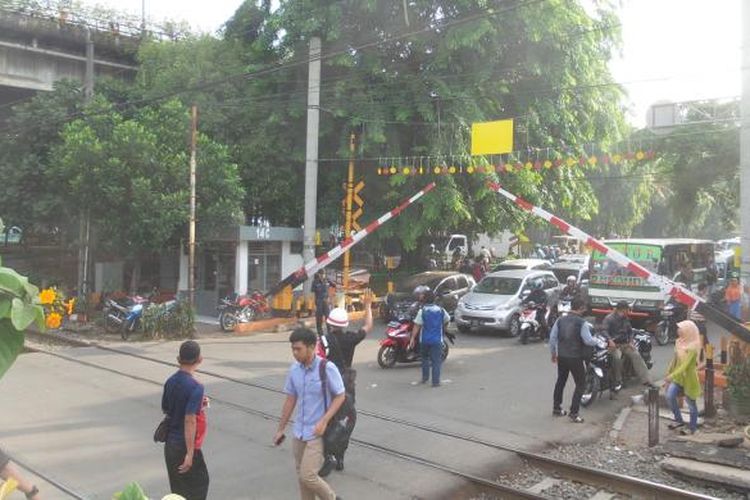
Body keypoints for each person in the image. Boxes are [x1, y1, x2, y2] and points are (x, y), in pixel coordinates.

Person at [274, 328, 345, 500]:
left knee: (308, 476)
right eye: (293, 349)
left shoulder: (327, 368)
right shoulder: (294, 370)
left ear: (311, 347)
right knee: (302, 478)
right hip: (299, 431)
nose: (294, 353)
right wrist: (280, 429)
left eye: (298, 349)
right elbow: (290, 400)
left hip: (318, 432)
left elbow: (340, 395)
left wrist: (324, 420)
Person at [318, 293, 373, 476]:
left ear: (330, 323)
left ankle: (328, 456)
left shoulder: (324, 340)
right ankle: (340, 456)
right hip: (346, 384)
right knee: (344, 420)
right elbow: (368, 326)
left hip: (328, 385)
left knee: (327, 419)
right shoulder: (351, 338)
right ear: (345, 325)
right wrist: (368, 306)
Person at [161, 341, 209, 500]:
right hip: (184, 446)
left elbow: (167, 408)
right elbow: (190, 420)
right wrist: (190, 453)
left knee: (178, 491)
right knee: (199, 485)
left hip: (170, 446)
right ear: (200, 359)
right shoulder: (196, 386)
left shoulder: (170, 381)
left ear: (178, 358)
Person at [549, 297, 598, 423]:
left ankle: (556, 408)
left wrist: (554, 354)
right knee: (580, 384)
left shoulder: (560, 320)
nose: (585, 310)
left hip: (562, 356)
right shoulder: (582, 323)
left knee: (561, 381)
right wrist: (596, 340)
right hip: (575, 357)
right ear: (581, 308)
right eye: (584, 308)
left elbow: (552, 338)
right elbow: (588, 340)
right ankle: (574, 413)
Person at [603, 301, 654, 391]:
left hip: (625, 344)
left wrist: (631, 341)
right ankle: (618, 380)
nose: (628, 311)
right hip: (614, 345)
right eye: (627, 309)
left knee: (636, 355)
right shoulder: (609, 318)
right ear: (623, 309)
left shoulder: (625, 319)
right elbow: (604, 331)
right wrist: (610, 340)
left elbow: (630, 331)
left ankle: (646, 380)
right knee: (617, 358)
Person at [665, 321, 703, 435]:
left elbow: (685, 365)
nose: (678, 331)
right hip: (678, 377)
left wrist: (672, 375)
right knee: (670, 396)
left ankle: (692, 428)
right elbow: (675, 359)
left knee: (691, 404)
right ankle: (679, 420)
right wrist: (668, 372)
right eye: (678, 328)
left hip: (689, 379)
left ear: (688, 331)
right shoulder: (678, 342)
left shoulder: (693, 346)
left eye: (681, 329)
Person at [409, 290, 450, 387]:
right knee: (436, 361)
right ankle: (435, 382)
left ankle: (425, 378)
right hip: (437, 341)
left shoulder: (422, 311)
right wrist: (444, 328)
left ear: (425, 299)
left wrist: (412, 339)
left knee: (424, 358)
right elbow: (447, 320)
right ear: (434, 299)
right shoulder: (441, 310)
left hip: (424, 340)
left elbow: (417, 326)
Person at [312, 269, 335, 336]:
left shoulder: (327, 281)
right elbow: (313, 294)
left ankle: (330, 333)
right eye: (321, 274)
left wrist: (331, 299)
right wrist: (313, 305)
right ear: (319, 274)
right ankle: (320, 334)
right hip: (318, 302)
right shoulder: (315, 282)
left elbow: (334, 286)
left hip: (326, 301)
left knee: (328, 317)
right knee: (319, 318)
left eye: (324, 274)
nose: (322, 275)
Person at [689, 283, 709, 349]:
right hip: (700, 322)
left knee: (694, 339)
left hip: (693, 320)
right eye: (706, 289)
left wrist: (688, 318)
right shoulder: (704, 298)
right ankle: (708, 353)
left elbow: (689, 308)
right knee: (704, 339)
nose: (707, 290)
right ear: (704, 289)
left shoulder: (693, 296)